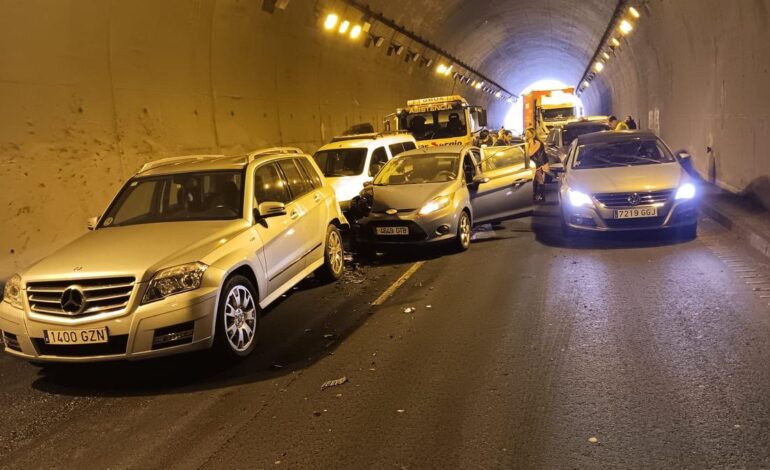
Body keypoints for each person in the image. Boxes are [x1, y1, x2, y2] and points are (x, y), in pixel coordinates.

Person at [525, 127, 549, 202]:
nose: (526, 134)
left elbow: (530, 153)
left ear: (532, 134)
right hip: (532, 164)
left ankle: (542, 196)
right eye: (526, 133)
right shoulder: (528, 141)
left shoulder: (536, 142)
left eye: (528, 133)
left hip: (537, 164)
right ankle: (534, 196)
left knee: (539, 179)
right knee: (534, 180)